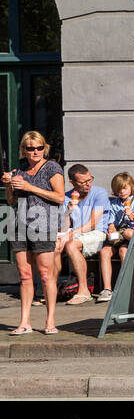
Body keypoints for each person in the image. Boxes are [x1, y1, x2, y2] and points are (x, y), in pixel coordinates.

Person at [3, 131, 64, 334]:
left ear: (44, 147)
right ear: (24, 150)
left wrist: (30, 186)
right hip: (19, 225)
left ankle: (50, 321)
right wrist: (8, 186)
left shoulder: (52, 168)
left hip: (43, 224)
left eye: (39, 147)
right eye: (30, 148)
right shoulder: (19, 168)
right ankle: (25, 323)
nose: (35, 151)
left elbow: (60, 197)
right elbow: (11, 201)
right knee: (25, 275)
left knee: (46, 275)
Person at [53, 164, 111, 305]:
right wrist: (68, 212)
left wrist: (70, 234)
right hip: (76, 233)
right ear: (72, 182)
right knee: (53, 245)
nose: (88, 184)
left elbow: (92, 223)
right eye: (83, 182)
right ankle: (51, 289)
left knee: (72, 244)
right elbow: (64, 227)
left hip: (97, 233)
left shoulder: (99, 193)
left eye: (89, 180)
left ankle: (84, 291)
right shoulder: (67, 197)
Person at [99, 173, 134, 303]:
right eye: (118, 190)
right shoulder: (114, 204)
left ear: (131, 187)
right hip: (119, 235)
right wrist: (111, 230)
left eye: (124, 188)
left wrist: (131, 215)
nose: (122, 192)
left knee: (123, 250)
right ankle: (107, 289)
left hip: (132, 235)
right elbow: (112, 223)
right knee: (104, 251)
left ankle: (128, 287)